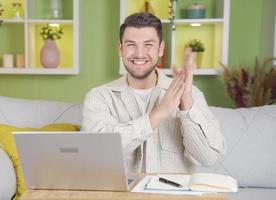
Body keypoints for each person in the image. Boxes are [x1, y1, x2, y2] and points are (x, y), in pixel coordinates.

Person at [81, 12, 226, 174]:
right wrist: (158, 114)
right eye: (131, 44)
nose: (139, 53)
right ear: (120, 49)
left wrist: (186, 106)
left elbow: (210, 158)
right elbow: (98, 152)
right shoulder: (99, 97)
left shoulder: (189, 93)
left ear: (161, 49)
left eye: (148, 44)